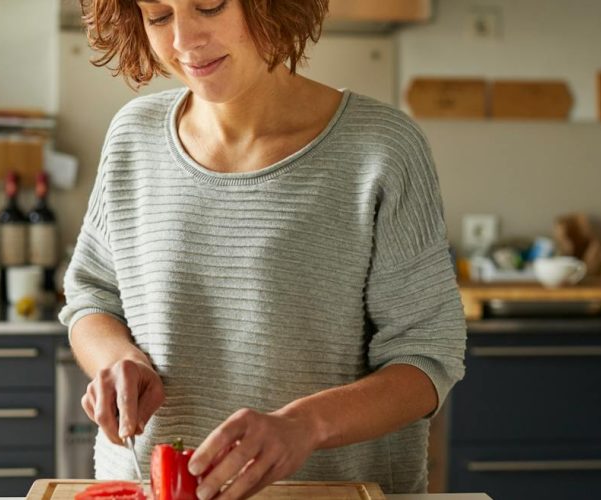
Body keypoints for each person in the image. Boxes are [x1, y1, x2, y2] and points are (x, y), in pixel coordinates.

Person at [59, 0, 467, 498]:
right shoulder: (133, 134)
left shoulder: (382, 148)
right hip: (147, 487)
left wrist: (306, 425)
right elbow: (91, 299)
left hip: (329, 492)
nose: (184, 40)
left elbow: (427, 358)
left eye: (209, 6)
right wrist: (117, 359)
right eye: (159, 16)